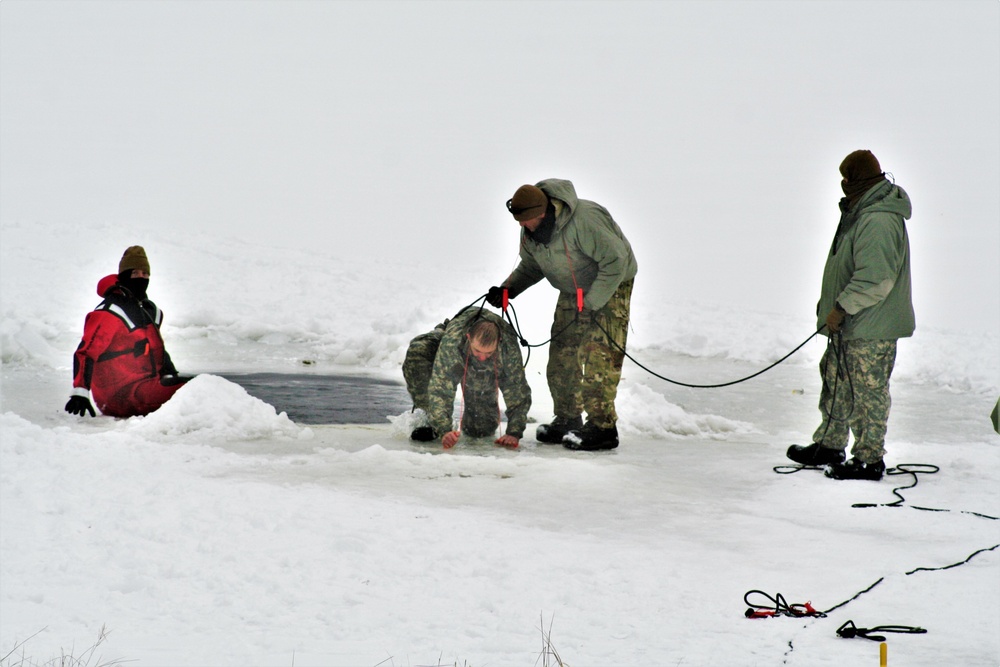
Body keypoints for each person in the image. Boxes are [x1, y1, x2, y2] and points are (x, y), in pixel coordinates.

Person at [787, 150, 914, 480]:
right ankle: (830, 444)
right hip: (851, 323)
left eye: (847, 178)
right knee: (836, 381)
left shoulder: (878, 218)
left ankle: (869, 460)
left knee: (867, 393)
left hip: (870, 326)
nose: (842, 185)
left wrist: (842, 307)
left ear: (859, 179)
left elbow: (877, 278)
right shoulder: (860, 211)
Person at [486, 179, 637, 451]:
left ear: (543, 213)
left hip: (610, 284)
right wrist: (508, 290)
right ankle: (568, 419)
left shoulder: (586, 220)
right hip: (573, 288)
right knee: (562, 352)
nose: (522, 226)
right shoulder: (531, 231)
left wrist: (592, 304)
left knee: (598, 353)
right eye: (519, 221)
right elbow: (533, 266)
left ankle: (603, 428)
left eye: (526, 220)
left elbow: (616, 261)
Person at [65, 246, 190, 419]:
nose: (141, 278)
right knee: (194, 388)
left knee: (195, 384)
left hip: (145, 387)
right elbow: (86, 352)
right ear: (124, 276)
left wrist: (171, 376)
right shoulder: (109, 312)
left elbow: (157, 352)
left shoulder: (148, 311)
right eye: (135, 274)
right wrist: (80, 392)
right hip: (119, 396)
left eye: (145, 274)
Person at [402, 307, 531, 449]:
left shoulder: (508, 347)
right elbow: (442, 386)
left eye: (488, 353)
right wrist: (444, 430)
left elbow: (516, 388)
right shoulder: (453, 342)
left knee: (480, 430)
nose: (482, 357)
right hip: (452, 346)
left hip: (486, 359)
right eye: (478, 351)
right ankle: (431, 420)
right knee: (419, 349)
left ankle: (460, 420)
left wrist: (514, 432)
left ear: (499, 341)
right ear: (469, 337)